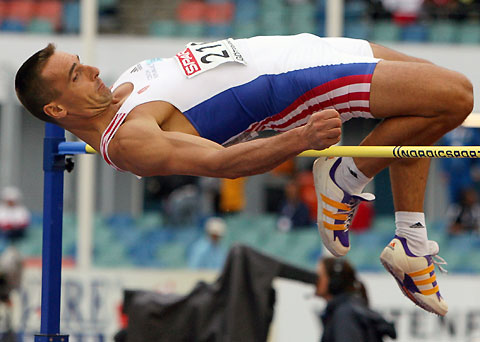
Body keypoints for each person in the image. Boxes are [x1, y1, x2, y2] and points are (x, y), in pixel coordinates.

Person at [15, 33, 473, 315]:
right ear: (57, 108)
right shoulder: (127, 139)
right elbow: (221, 163)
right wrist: (301, 138)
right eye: (77, 74)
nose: (93, 69)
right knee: (455, 96)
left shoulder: (120, 92)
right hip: (293, 82)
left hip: (299, 48)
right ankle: (345, 178)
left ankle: (410, 242)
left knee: (433, 94)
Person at [316, 257, 397, 342]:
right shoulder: (347, 309)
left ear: (334, 281)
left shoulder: (344, 314)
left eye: (319, 276)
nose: (316, 280)